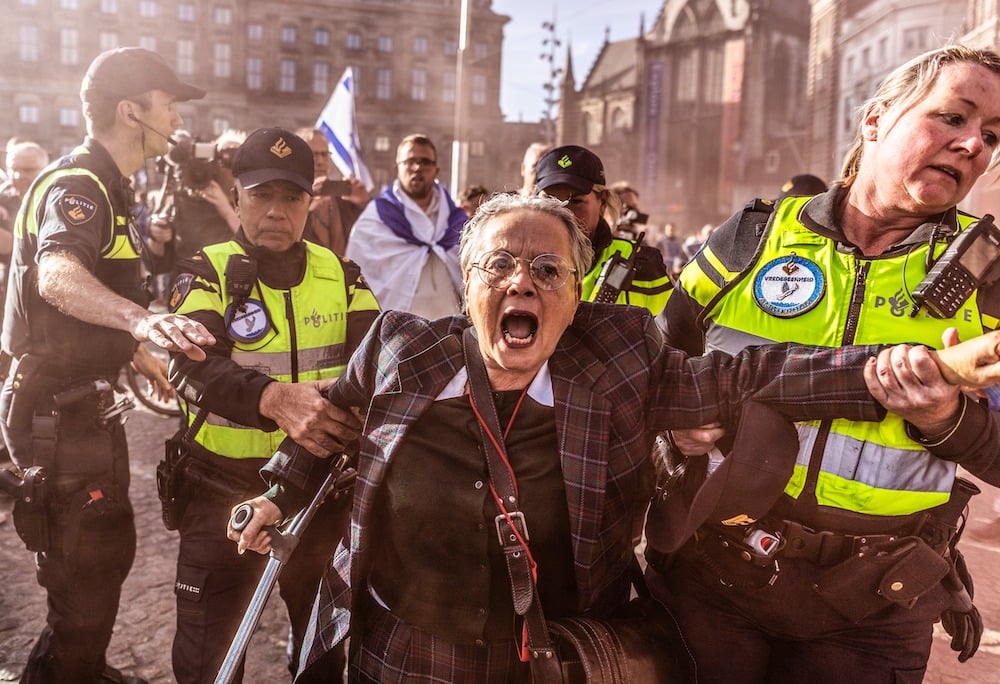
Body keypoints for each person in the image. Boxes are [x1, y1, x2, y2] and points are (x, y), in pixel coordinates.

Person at [225, 193, 1000, 682]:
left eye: (547, 270)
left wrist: (901, 369)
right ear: (468, 287)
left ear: (576, 294)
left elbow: (752, 377)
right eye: (499, 264)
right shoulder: (400, 347)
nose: (522, 281)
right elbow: (333, 419)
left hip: (548, 651)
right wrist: (278, 489)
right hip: (402, 642)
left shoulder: (619, 360)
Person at [647, 45, 1000, 682]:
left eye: (992, 136)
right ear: (875, 119)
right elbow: (653, 371)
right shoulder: (753, 236)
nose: (974, 144)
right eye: (954, 116)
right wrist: (677, 427)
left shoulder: (991, 277)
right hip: (712, 579)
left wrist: (948, 420)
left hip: (873, 610)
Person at [0, 46, 214, 684]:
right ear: (131, 111)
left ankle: (79, 669)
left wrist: (133, 352)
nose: (177, 120)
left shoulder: (107, 184)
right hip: (58, 416)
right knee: (85, 566)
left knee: (96, 563)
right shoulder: (79, 186)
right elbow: (59, 277)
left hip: (77, 406)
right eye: (168, 106)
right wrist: (140, 320)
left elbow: (74, 309)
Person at [165, 127, 380, 683]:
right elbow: (187, 366)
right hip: (220, 496)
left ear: (313, 202)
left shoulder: (343, 275)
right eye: (261, 195)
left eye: (292, 197)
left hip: (317, 498)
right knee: (207, 663)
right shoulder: (206, 270)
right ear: (236, 196)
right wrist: (273, 400)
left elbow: (376, 369)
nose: (276, 212)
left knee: (321, 663)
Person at [534, 144, 672, 314]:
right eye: (549, 201)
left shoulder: (643, 265)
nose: (562, 212)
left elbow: (670, 337)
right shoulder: (513, 263)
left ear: (603, 203)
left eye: (576, 201)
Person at [345, 134, 466, 318]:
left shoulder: (457, 222)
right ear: (396, 168)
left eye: (425, 162)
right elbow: (357, 278)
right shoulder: (375, 217)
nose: (418, 168)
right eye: (410, 162)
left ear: (436, 170)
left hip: (451, 327)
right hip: (397, 329)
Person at [298, 127, 370, 256]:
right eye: (313, 155)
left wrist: (363, 203)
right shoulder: (288, 197)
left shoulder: (342, 199)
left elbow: (369, 236)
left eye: (324, 154)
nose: (320, 161)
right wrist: (305, 208)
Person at [0, 141, 50, 310]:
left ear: (46, 169)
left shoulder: (57, 199)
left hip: (47, 296)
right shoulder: (3, 197)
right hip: (10, 295)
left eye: (28, 170)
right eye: (13, 169)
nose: (18, 175)